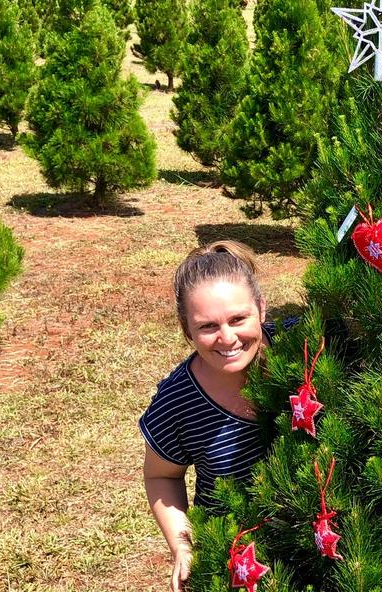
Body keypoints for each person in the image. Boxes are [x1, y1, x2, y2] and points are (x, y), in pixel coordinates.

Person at [139, 241, 281, 592]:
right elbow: (162, 477)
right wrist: (182, 545)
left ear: (261, 309)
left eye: (238, 319)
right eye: (207, 326)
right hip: (235, 559)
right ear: (187, 328)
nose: (227, 337)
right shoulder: (176, 401)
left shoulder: (304, 348)